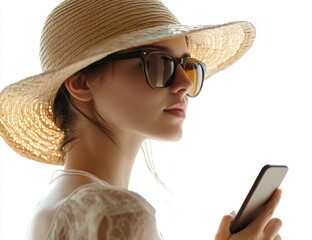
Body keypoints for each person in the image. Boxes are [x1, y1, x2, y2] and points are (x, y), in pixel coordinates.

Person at [0, 0, 283, 239]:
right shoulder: (115, 212)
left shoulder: (50, 208)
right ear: (81, 84)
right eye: (158, 63)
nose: (184, 82)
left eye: (189, 66)